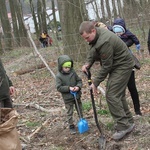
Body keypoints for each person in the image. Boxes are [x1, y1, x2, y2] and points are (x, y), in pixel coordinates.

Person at [79, 21, 135, 140]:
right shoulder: (97, 35)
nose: (86, 40)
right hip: (117, 65)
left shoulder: (105, 41)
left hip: (123, 65)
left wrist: (95, 83)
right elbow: (93, 50)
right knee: (118, 94)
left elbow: (106, 66)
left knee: (112, 94)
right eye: (85, 39)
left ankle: (123, 126)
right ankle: (128, 121)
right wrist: (88, 63)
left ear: (93, 30)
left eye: (87, 37)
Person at [112, 18, 142, 116]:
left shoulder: (127, 35)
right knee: (121, 91)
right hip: (116, 67)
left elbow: (133, 39)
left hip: (128, 65)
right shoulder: (109, 35)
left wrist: (131, 43)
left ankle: (137, 110)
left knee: (132, 88)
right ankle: (124, 113)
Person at [56, 55, 83, 134]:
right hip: (67, 98)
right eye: (66, 68)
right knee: (69, 112)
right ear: (61, 67)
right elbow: (59, 87)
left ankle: (82, 121)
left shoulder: (73, 72)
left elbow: (79, 81)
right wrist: (69, 88)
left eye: (69, 67)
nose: (68, 69)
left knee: (80, 109)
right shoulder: (59, 76)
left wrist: (78, 87)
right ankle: (71, 125)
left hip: (77, 96)